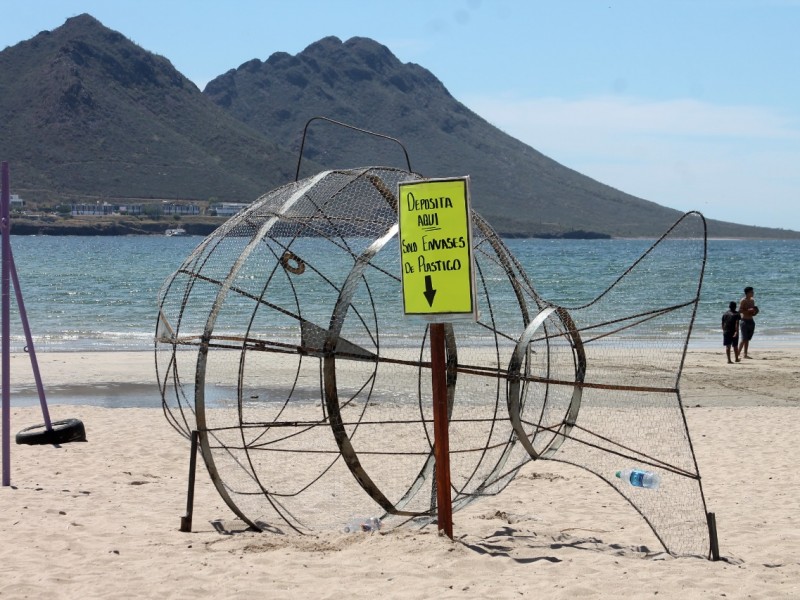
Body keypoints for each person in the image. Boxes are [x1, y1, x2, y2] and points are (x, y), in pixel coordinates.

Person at [737, 286, 758, 359]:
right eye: (752, 292)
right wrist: (747, 310)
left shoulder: (752, 300)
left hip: (751, 320)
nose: (753, 293)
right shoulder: (743, 300)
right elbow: (739, 311)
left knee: (747, 339)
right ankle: (738, 353)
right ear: (747, 293)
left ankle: (745, 354)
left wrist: (755, 312)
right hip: (744, 320)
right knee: (743, 339)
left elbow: (753, 312)